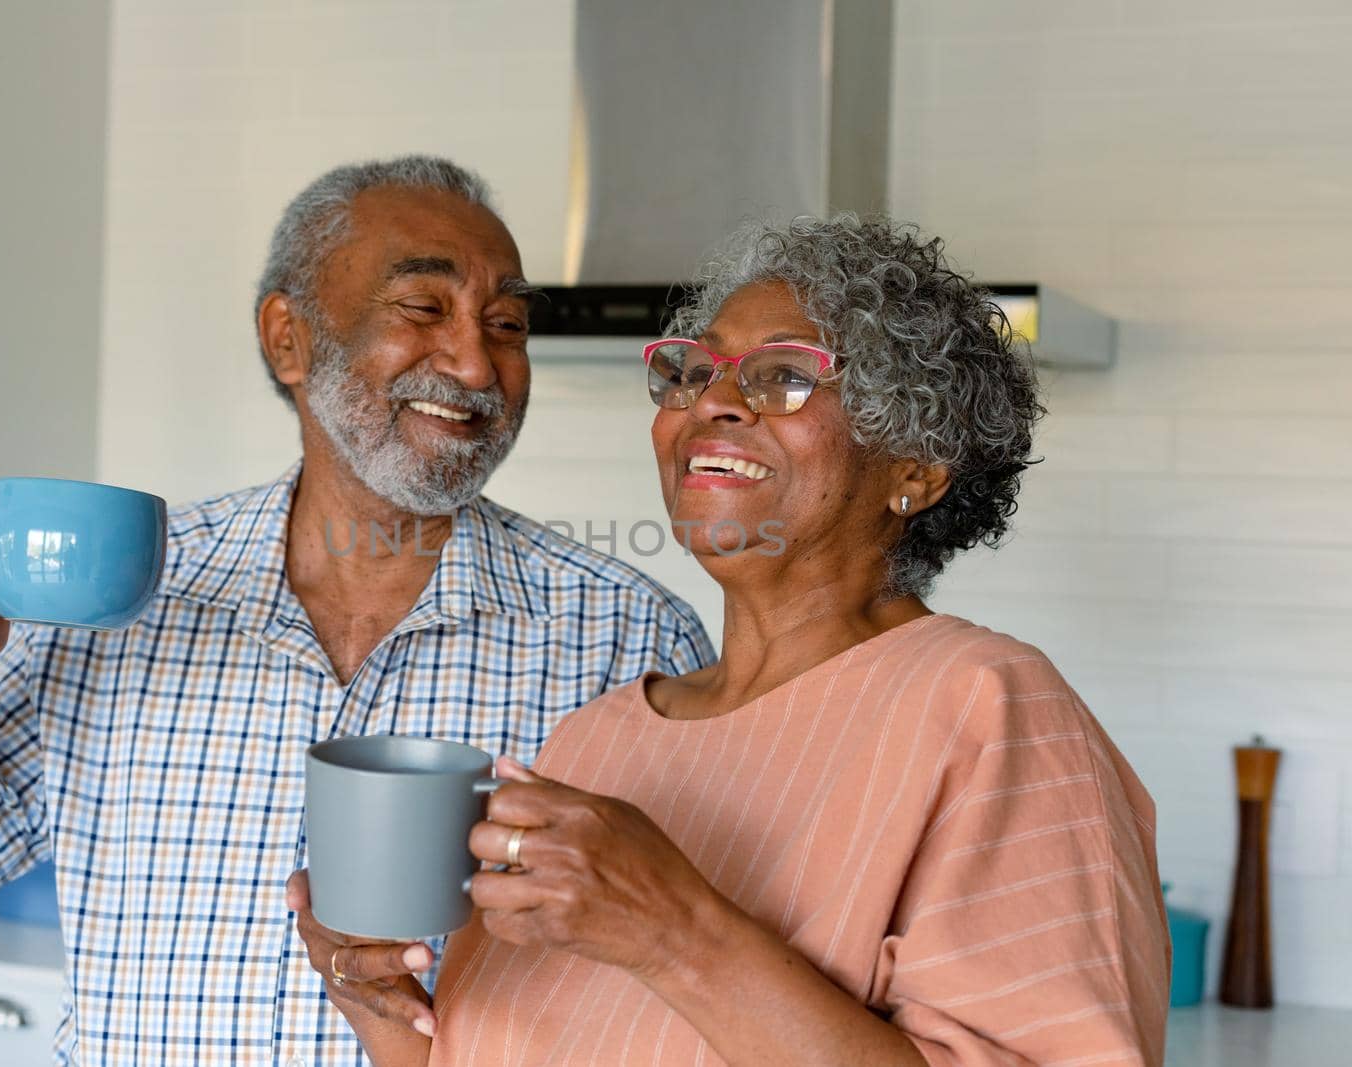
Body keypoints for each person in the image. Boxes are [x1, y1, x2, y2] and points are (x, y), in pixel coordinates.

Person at [0, 155, 714, 1066]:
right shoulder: (118, 599)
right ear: (288, 339)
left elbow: (687, 1000)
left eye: (509, 324)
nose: (475, 361)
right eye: (423, 308)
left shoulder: (629, 637)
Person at [292, 214, 1171, 1065]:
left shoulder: (990, 708)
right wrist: (377, 1003)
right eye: (691, 371)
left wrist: (675, 929)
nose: (710, 401)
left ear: (915, 468)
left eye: (783, 376)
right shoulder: (596, 738)